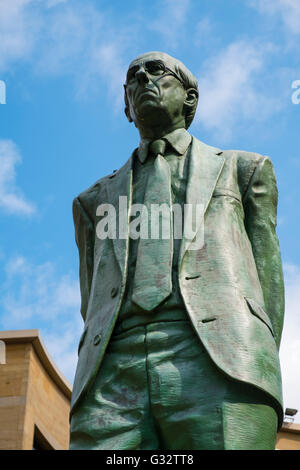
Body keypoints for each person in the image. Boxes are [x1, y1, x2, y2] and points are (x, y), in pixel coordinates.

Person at [69, 51, 284, 450]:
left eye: (156, 71)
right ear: (126, 106)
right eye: (132, 77)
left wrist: (256, 355)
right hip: (112, 374)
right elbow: (91, 301)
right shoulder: (92, 201)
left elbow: (268, 281)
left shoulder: (244, 170)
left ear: (189, 98)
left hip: (219, 361)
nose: (142, 80)